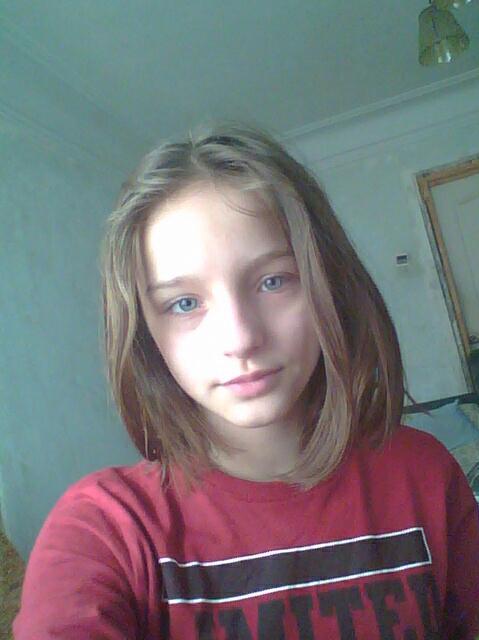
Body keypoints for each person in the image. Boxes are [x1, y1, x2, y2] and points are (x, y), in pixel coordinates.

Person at [13, 125, 479, 639]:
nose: (240, 338)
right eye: (184, 303)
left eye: (273, 281)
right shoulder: (106, 528)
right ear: (146, 334)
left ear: (328, 285)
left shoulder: (426, 474)